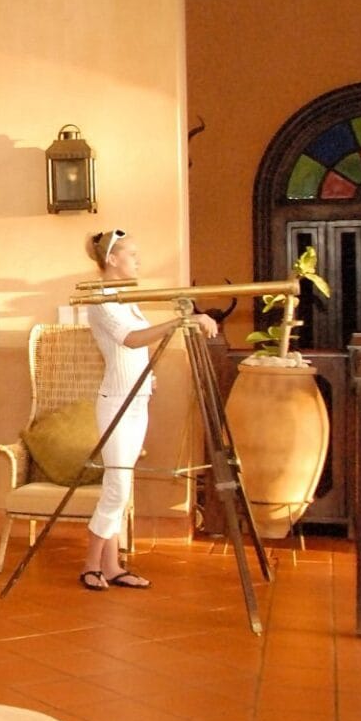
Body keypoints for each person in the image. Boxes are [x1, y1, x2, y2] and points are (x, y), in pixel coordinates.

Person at [79, 228, 217, 591]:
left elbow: (134, 350)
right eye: (132, 255)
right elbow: (131, 339)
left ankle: (111, 566)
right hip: (117, 403)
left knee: (120, 486)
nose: (138, 261)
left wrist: (147, 375)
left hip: (137, 400)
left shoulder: (126, 298)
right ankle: (91, 564)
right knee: (117, 486)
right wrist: (182, 322)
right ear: (112, 259)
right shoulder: (101, 298)